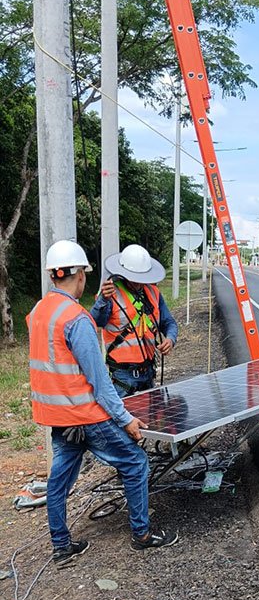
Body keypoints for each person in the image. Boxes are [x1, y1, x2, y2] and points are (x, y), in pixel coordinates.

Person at [27, 240, 178, 566]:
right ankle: (142, 534)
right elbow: (99, 381)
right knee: (136, 463)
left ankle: (61, 546)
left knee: (59, 480)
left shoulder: (39, 311)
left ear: (54, 274)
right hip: (85, 412)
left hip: (59, 415)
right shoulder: (76, 318)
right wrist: (126, 420)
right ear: (80, 275)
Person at [90, 244, 178, 397]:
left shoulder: (153, 292)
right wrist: (103, 300)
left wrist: (170, 339)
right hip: (123, 376)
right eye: (134, 278)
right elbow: (96, 321)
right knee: (124, 419)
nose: (138, 283)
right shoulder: (111, 294)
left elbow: (168, 322)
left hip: (149, 372)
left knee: (150, 419)